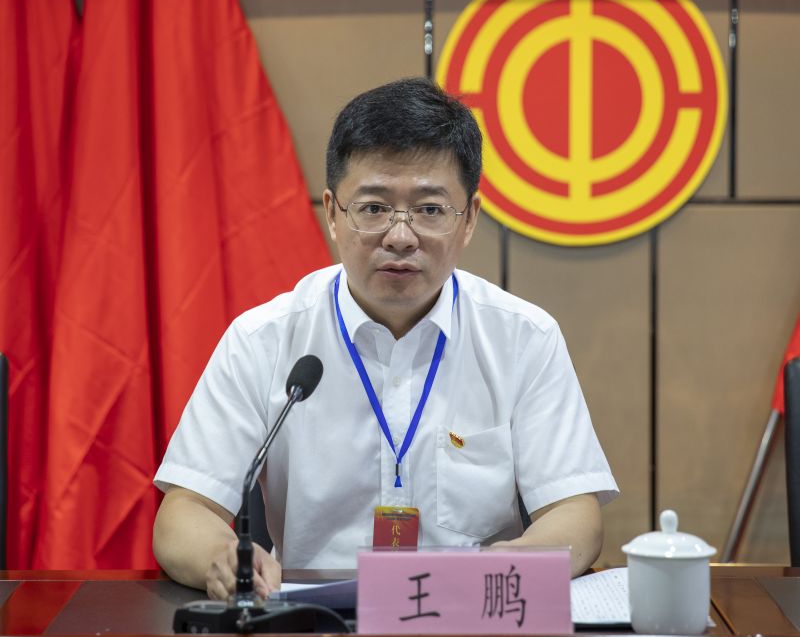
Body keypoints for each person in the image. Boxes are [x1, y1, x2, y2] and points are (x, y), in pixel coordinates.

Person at [152, 77, 618, 600]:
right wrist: (222, 556)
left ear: (469, 220)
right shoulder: (263, 340)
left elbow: (574, 512)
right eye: (373, 208)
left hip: (471, 618)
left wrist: (514, 561)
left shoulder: (523, 338)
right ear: (333, 213)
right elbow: (183, 513)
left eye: (430, 210)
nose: (400, 236)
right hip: (315, 623)